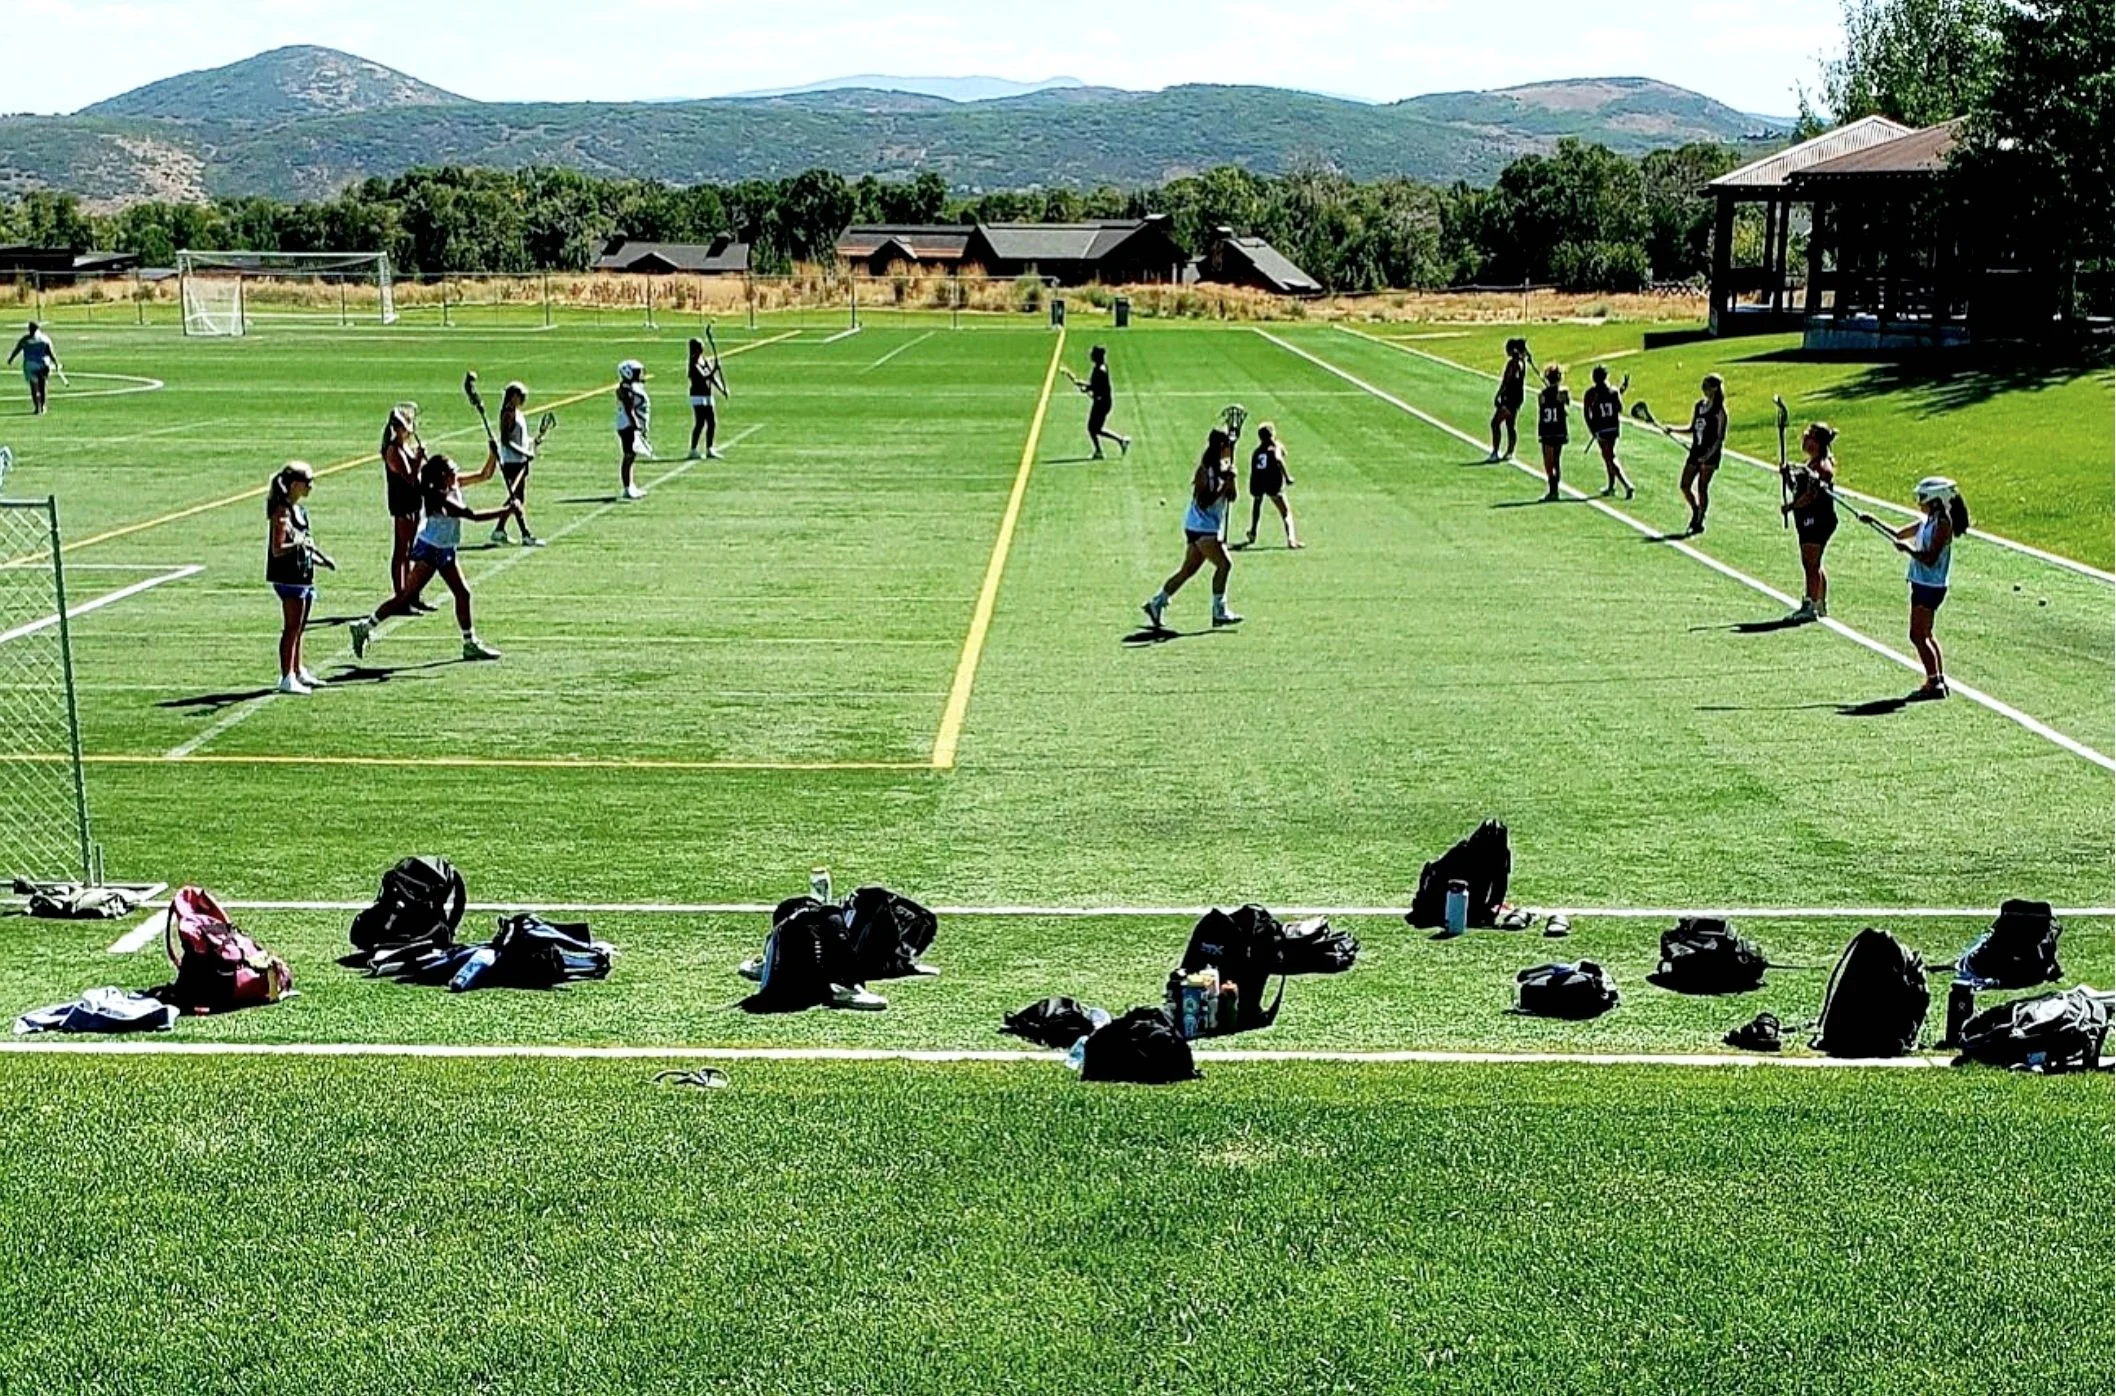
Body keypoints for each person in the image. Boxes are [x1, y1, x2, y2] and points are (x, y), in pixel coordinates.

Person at [349, 446, 510, 663]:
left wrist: (492, 455)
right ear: (443, 476)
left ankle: (470, 643)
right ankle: (364, 626)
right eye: (452, 471)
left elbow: (484, 475)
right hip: (432, 550)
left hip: (445, 548)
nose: (456, 474)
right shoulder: (440, 497)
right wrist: (506, 510)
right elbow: (472, 515)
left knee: (463, 594)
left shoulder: (453, 484)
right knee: (406, 598)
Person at [1142, 428, 1241, 631]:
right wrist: (1224, 486)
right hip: (1202, 525)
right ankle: (1219, 611)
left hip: (1204, 525)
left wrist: (1232, 480)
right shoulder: (1206, 470)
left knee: (1188, 570)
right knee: (1224, 565)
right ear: (1220, 446)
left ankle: (1156, 603)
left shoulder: (1224, 467)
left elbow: (1231, 497)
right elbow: (1204, 501)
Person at [1888, 476, 1969, 700]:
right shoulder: (1928, 520)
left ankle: (1934, 682)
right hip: (1922, 583)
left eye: (1923, 498)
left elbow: (1931, 558)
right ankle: (1937, 678)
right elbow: (1898, 533)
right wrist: (1872, 520)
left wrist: (1908, 550)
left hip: (1930, 585)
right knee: (1924, 633)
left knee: (1917, 635)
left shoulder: (1943, 524)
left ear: (1935, 500)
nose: (1919, 502)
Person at [265, 462, 333, 696]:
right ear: (295, 484)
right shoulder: (282, 511)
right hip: (288, 577)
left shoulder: (298, 510)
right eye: (308, 482)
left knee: (300, 627)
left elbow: (303, 542)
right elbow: (278, 548)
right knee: (292, 627)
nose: (311, 486)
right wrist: (299, 543)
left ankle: (298, 669)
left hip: (303, 575)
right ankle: (287, 676)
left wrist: (318, 559)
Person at [1781, 422, 1840, 622]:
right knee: (1813, 563)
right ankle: (1819, 601)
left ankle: (1810, 605)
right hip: (1809, 519)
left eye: (1809, 436)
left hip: (1817, 520)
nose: (1804, 438)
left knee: (1811, 563)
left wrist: (1791, 506)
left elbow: (1810, 496)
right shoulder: (1811, 465)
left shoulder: (1822, 466)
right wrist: (1787, 476)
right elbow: (1798, 489)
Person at [380, 403, 436, 611]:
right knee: (402, 551)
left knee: (412, 550)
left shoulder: (405, 447)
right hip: (402, 503)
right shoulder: (393, 450)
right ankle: (401, 596)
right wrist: (419, 458)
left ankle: (412, 593)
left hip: (413, 501)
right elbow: (410, 477)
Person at [1672, 374, 1728, 534]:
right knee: (1684, 485)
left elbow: (1719, 439)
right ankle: (1696, 509)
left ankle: (1700, 519)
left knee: (1702, 487)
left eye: (1707, 386)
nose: (1703, 389)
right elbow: (1692, 428)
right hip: (1695, 452)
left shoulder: (1720, 412)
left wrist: (1707, 456)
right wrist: (1673, 429)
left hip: (1710, 455)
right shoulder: (1699, 406)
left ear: (1715, 388)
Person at [489, 382, 543, 547]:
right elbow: (506, 441)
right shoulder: (508, 413)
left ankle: (499, 530)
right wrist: (525, 453)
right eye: (522, 396)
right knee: (516, 499)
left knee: (517, 498)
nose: (524, 399)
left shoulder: (517, 412)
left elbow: (519, 437)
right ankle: (525, 534)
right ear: (513, 396)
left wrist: (534, 442)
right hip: (512, 462)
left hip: (520, 460)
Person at [1241, 422, 1300, 549]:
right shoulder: (1275, 448)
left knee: (1256, 508)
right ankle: (1291, 539)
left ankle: (1253, 532)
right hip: (1272, 483)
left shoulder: (1256, 452)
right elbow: (1279, 459)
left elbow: (1254, 470)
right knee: (1286, 512)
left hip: (1259, 483)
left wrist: (1253, 487)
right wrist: (1287, 477)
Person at [1580, 365, 1634, 499]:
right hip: (1613, 428)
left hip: (1601, 430)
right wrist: (1621, 390)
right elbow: (1619, 407)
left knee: (1610, 457)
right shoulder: (1613, 391)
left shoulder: (1590, 394)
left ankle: (1627, 485)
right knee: (1608, 456)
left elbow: (1587, 413)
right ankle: (1611, 486)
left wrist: (1592, 429)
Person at [1075, 345, 1130, 460]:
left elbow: (1097, 387)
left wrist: (1085, 387)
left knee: (1093, 428)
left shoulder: (1100, 370)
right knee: (1095, 429)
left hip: (1101, 403)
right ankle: (1116, 443)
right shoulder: (1102, 367)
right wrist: (1086, 387)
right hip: (1102, 402)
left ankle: (1109, 446)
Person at [1486, 338, 1530, 462]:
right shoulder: (1520, 362)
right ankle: (1510, 452)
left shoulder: (1515, 363)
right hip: (1516, 398)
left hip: (1511, 398)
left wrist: (1500, 394)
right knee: (1510, 424)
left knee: (1495, 423)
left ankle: (1496, 452)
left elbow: (1507, 381)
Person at [614, 360, 651, 500]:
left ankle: (630, 485)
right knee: (628, 456)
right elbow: (629, 410)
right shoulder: (625, 390)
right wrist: (636, 425)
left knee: (631, 456)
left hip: (628, 425)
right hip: (627, 426)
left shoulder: (629, 387)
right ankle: (627, 487)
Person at [1534, 364, 1570, 501]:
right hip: (1559, 430)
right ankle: (1554, 488)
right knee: (1556, 461)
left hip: (1548, 431)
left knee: (1549, 462)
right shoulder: (1562, 393)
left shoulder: (1542, 395)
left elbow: (1542, 404)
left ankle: (1553, 489)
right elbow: (1566, 402)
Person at [686, 339, 727, 461]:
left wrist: (722, 389)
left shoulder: (704, 360)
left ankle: (710, 448)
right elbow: (703, 377)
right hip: (697, 396)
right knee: (700, 422)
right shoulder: (692, 363)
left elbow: (712, 378)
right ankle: (693, 449)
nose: (702, 349)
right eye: (700, 347)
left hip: (708, 395)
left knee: (712, 422)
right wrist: (715, 368)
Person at [7, 322, 59, 415]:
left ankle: (37, 407)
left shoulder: (25, 340)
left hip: (30, 364)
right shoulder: (44, 339)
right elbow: (50, 352)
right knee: (43, 386)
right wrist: (56, 363)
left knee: (34, 387)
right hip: (43, 364)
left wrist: (11, 359)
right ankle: (42, 406)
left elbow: (17, 349)